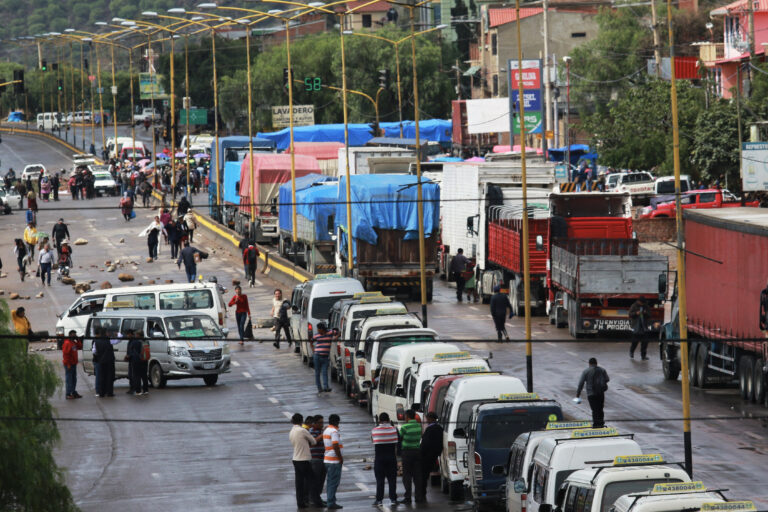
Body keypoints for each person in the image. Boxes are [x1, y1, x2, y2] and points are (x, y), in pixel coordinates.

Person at [289, 413, 322, 509]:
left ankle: (300, 503)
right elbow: (314, 441)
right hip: (304, 459)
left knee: (299, 483)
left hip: (295, 459)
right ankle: (317, 501)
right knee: (313, 481)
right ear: (301, 421)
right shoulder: (302, 430)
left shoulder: (291, 431)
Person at [371, 412, 399, 506]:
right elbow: (397, 441)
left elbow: (373, 440)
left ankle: (379, 500)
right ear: (389, 419)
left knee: (380, 480)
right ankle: (393, 499)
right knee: (392, 480)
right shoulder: (394, 429)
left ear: (379, 420)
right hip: (391, 458)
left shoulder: (374, 430)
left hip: (379, 459)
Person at [576, 357, 610, 428]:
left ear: (589, 364)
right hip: (600, 393)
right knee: (600, 408)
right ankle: (601, 424)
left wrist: (578, 394)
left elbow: (581, 383)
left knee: (594, 409)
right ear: (596, 363)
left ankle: (596, 425)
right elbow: (607, 379)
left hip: (591, 393)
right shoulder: (602, 370)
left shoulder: (586, 371)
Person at [399, 409, 423, 503]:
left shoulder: (405, 427)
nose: (405, 418)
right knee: (417, 476)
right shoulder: (418, 426)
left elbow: (400, 437)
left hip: (407, 453)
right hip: (417, 452)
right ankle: (418, 497)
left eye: (405, 416)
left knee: (407, 476)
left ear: (408, 417)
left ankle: (408, 497)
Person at [420, 411, 444, 500]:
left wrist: (421, 453)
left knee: (423, 475)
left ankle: (422, 494)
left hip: (427, 456)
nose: (427, 420)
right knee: (426, 475)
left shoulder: (430, 429)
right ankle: (422, 493)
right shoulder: (440, 428)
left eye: (427, 419)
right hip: (435, 455)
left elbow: (425, 444)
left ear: (431, 419)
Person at [323, 414, 344, 510]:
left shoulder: (327, 430)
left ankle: (331, 500)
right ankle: (331, 502)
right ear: (337, 422)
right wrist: (340, 458)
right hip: (334, 461)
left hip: (327, 459)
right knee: (333, 483)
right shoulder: (334, 431)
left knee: (330, 482)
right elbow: (335, 445)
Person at [312, 323, 337, 393]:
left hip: (325, 357)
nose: (318, 330)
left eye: (318, 329)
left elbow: (338, 332)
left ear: (322, 329)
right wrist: (313, 350)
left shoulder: (330, 333)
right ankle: (319, 388)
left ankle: (326, 387)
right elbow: (311, 341)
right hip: (317, 356)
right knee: (317, 373)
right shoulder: (316, 335)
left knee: (324, 372)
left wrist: (336, 337)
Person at [308, 415, 327, 507]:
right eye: (320, 422)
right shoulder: (311, 431)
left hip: (322, 459)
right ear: (314, 423)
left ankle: (318, 498)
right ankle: (313, 499)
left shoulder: (320, 431)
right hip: (315, 460)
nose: (321, 424)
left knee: (321, 480)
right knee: (315, 480)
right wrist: (323, 434)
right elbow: (314, 441)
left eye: (322, 422)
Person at [93, 328, 116, 398]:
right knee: (109, 377)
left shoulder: (96, 341)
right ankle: (109, 392)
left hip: (101, 361)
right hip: (110, 361)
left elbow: (94, 351)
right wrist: (117, 334)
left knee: (101, 377)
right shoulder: (110, 340)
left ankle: (101, 393)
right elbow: (119, 339)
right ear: (106, 333)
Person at [62, 331, 83, 399]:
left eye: (76, 334)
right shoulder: (67, 343)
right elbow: (66, 354)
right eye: (74, 334)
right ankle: (68, 394)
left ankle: (73, 392)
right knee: (69, 379)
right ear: (70, 335)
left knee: (74, 379)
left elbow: (80, 347)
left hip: (74, 363)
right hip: (69, 364)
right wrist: (68, 364)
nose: (75, 335)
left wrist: (78, 340)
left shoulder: (73, 342)